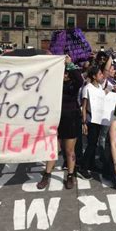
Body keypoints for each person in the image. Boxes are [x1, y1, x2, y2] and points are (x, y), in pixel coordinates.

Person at [37, 57, 84, 190]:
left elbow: (80, 80)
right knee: (53, 149)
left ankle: (70, 175)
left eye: (65, 73)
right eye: (61, 72)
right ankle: (47, 174)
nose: (63, 75)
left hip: (70, 119)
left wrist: (69, 64)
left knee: (69, 150)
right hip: (54, 120)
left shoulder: (73, 85)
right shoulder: (53, 85)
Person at [79, 66, 105, 179]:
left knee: (94, 143)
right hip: (90, 119)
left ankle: (92, 164)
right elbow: (84, 106)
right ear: (94, 76)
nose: (102, 76)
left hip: (98, 119)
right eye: (100, 74)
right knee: (91, 144)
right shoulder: (87, 88)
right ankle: (83, 167)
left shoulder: (100, 87)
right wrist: (84, 122)